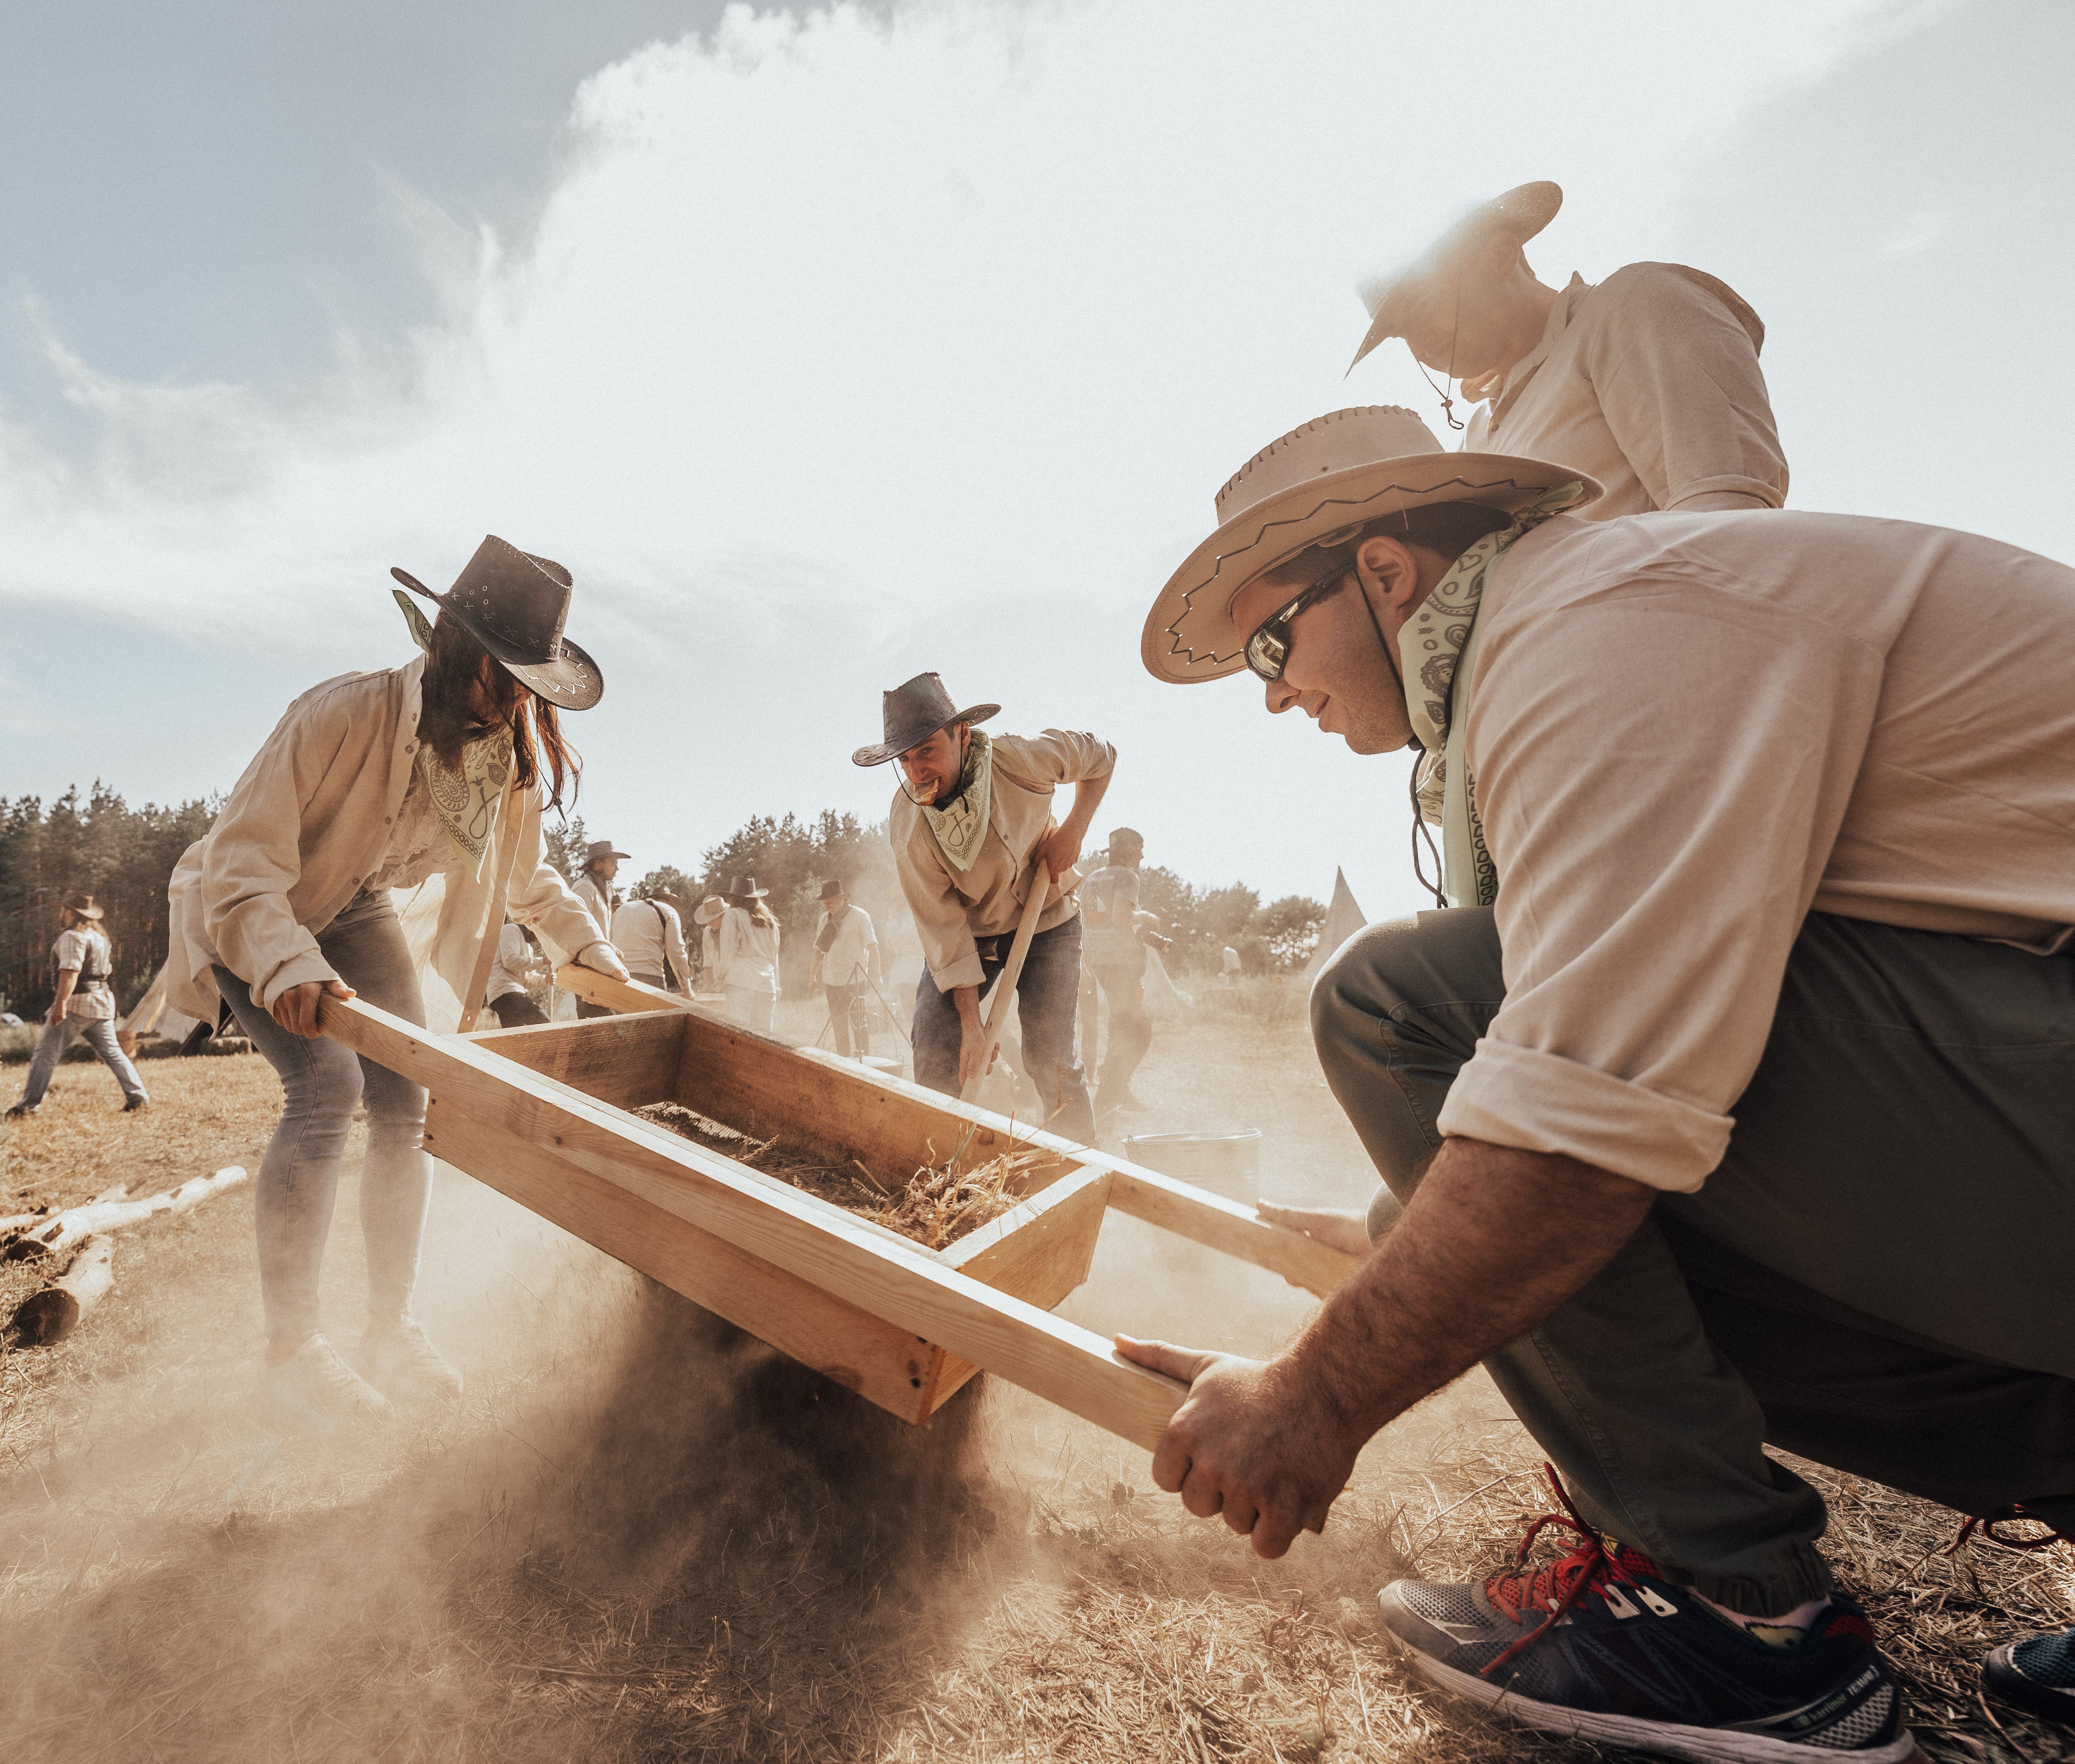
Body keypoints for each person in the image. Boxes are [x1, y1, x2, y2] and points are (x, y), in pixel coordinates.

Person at [1129, 403, 2075, 1760]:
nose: (1271, 691)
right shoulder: (1596, 617)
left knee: (1401, 1001)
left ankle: (1740, 1628)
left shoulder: (1603, 632)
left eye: (1270, 641)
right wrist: (1387, 1249)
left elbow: (1576, 1122)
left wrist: (1308, 1400)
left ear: (1385, 573)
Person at [160, 535, 628, 1419]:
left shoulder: (504, 756)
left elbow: (529, 878)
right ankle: (293, 1348)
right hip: (249, 907)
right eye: (508, 671)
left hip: (356, 907)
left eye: (534, 678)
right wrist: (288, 963)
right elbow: (241, 864)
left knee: (410, 1099)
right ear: (456, 649)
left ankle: (389, 1325)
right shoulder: (339, 712)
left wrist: (590, 950)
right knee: (326, 1085)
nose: (521, 696)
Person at [1350, 181, 1786, 524]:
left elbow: (1727, 512)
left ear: (1502, 255)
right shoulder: (1477, 436)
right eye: (1399, 332)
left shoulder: (1631, 306)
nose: (1417, 343)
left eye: (1423, 307)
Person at [857, 672, 1110, 1141]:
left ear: (963, 735)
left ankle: (1081, 1168)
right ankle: (939, 1167)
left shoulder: (1022, 758)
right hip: (972, 935)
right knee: (936, 1044)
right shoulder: (910, 826)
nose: (917, 772)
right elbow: (945, 932)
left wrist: (1074, 829)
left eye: (927, 751)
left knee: (1049, 1056)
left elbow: (1102, 756)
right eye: (906, 760)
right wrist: (971, 1024)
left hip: (1049, 920)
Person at [7, 892, 150, 1116]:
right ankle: (138, 1097)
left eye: (64, 910)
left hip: (77, 1004)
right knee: (114, 1053)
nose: (61, 914)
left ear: (71, 913)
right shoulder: (100, 938)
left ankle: (28, 1107)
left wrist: (60, 1005)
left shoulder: (73, 937)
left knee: (45, 1056)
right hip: (101, 1002)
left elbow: (71, 972)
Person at [1076, 829, 1169, 1113]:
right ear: (1128, 849)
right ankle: (1108, 1096)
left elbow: (1088, 921)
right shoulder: (1128, 877)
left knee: (1121, 1024)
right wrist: (1147, 917)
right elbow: (1121, 919)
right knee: (1137, 1029)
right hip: (1121, 963)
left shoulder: (1092, 878)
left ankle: (1118, 1090)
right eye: (1140, 848)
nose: (1142, 854)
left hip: (1097, 960)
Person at [695, 876, 780, 1032]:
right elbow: (775, 958)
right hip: (767, 984)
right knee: (766, 1039)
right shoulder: (770, 922)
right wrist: (778, 986)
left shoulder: (733, 915)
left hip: (741, 982)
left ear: (733, 898)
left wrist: (719, 981)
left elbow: (728, 952)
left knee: (741, 1035)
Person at [810, 877, 881, 1058]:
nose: (827, 907)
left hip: (856, 980)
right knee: (838, 1025)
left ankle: (865, 1062)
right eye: (824, 903)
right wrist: (812, 977)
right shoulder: (824, 920)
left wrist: (877, 974)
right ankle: (844, 1062)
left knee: (860, 1024)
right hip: (832, 981)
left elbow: (873, 947)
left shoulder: (860, 916)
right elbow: (818, 951)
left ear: (842, 898)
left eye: (830, 902)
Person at [571, 838, 631, 1018]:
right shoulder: (584, 888)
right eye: (613, 863)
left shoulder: (601, 890)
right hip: (587, 969)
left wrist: (609, 948)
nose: (617, 868)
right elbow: (579, 929)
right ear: (598, 864)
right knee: (596, 1024)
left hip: (598, 966)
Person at [609, 882, 695, 996]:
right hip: (650, 979)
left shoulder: (622, 909)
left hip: (619, 977)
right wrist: (687, 988)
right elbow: (676, 952)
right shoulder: (669, 911)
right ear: (668, 901)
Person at [484, 917, 551, 1029]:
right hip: (504, 990)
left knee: (516, 1036)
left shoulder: (528, 946)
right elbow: (510, 961)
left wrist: (545, 979)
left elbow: (527, 979)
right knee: (542, 1021)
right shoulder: (511, 929)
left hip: (510, 992)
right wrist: (542, 961)